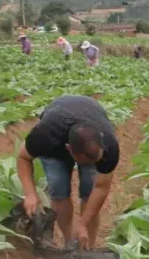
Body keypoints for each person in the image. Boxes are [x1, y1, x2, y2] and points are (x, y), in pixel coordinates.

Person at [16, 95, 120, 250]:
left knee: (89, 191)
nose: (93, 164)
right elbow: (23, 157)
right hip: (56, 135)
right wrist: (30, 194)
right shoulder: (46, 134)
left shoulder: (108, 148)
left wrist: (83, 223)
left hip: (90, 112)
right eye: (85, 162)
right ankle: (69, 243)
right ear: (69, 149)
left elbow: (101, 188)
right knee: (59, 190)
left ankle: (87, 249)